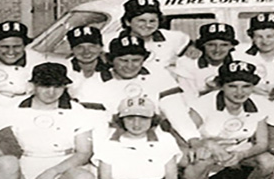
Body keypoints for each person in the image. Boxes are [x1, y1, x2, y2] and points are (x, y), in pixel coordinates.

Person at [176, 61, 274, 179]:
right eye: (232, 86)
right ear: (221, 85)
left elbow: (262, 144)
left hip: (234, 158)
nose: (239, 92)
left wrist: (241, 154)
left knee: (267, 161)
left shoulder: (260, 104)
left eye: (246, 86)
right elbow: (180, 136)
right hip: (206, 161)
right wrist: (202, 145)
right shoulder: (204, 103)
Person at [1, 63, 98, 179]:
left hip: (64, 168)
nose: (51, 92)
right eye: (45, 86)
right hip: (28, 168)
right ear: (33, 85)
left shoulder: (76, 110)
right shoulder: (14, 109)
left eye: (58, 86)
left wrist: (53, 172)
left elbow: (83, 152)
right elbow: (7, 152)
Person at [74, 36, 202, 147]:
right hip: (113, 140)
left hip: (155, 137)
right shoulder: (92, 84)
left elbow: (176, 112)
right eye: (123, 60)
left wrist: (193, 139)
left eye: (135, 60)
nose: (130, 66)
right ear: (110, 60)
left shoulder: (159, 76)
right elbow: (95, 127)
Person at [104, 0, 191, 71]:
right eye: (141, 21)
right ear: (127, 21)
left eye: (152, 21)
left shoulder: (175, 38)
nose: (148, 25)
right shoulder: (107, 41)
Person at [232, 13, 274, 99]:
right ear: (252, 38)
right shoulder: (238, 57)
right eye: (259, 36)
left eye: (270, 36)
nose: (265, 41)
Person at [172, 23, 238, 98]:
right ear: (202, 45)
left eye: (224, 45)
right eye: (211, 45)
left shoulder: (241, 62)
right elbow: (188, 98)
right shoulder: (187, 64)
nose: (217, 50)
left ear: (231, 46)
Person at [63, 26, 110, 99]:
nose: (86, 52)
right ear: (71, 49)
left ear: (101, 47)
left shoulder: (114, 70)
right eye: (79, 47)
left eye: (92, 46)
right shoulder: (64, 70)